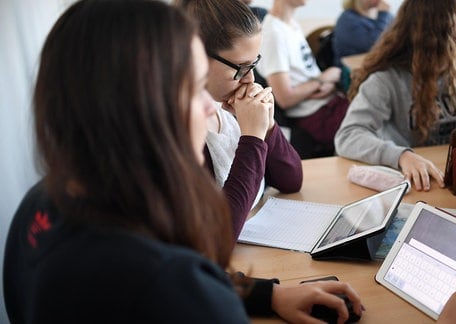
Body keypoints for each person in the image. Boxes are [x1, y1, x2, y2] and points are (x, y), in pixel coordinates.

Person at [2, 1, 363, 322]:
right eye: (191, 86)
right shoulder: (170, 283)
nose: (208, 106)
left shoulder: (41, 200)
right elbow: (181, 277)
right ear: (139, 106)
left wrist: (268, 295)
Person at [335, 0, 456, 192]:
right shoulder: (386, 80)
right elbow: (349, 135)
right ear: (438, 33)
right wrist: (402, 156)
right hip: (414, 185)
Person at [174, 0, 302, 241]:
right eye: (241, 67)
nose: (250, 78)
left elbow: (291, 180)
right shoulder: (186, 127)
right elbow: (218, 234)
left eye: (254, 64)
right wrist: (252, 138)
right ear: (195, 55)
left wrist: (268, 125)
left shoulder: (230, 105)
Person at [257, 0, 349, 153]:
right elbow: (285, 98)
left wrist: (328, 83)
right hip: (315, 114)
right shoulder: (274, 34)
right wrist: (325, 77)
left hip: (328, 103)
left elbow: (308, 74)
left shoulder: (291, 25)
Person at [332, 0, 394, 67]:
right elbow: (373, 45)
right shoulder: (347, 19)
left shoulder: (382, 14)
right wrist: (383, 14)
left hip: (377, 62)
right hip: (352, 67)